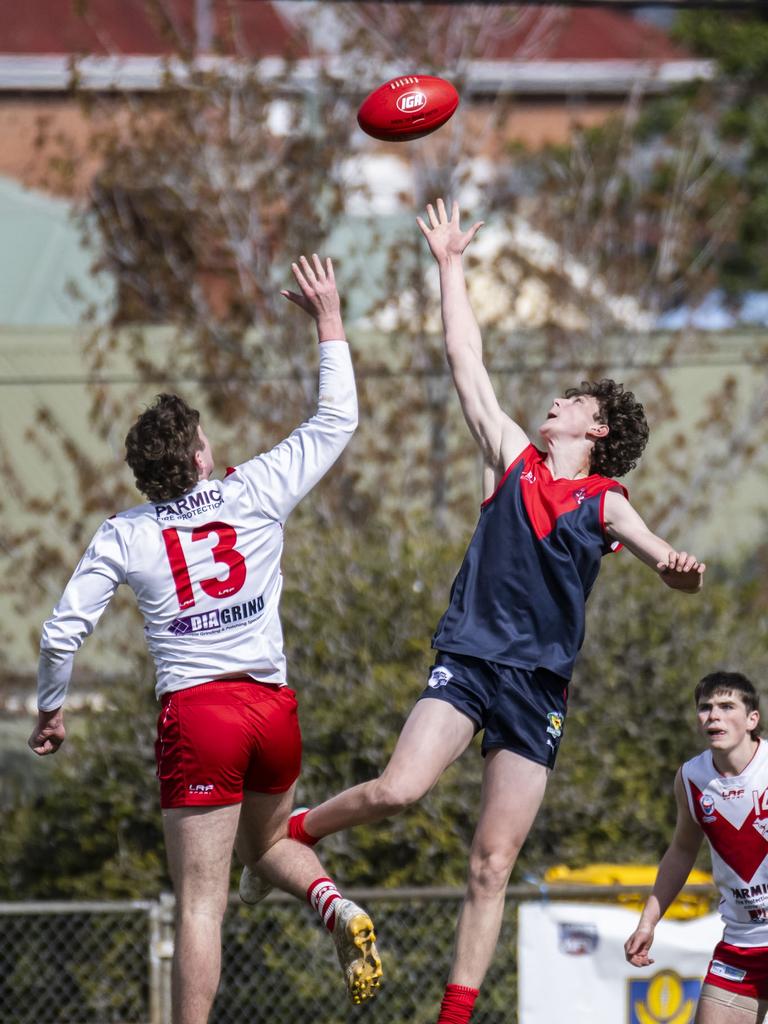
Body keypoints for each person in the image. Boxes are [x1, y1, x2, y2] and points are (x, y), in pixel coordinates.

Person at [247, 199, 707, 1024]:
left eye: (571, 401)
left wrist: (676, 567)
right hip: (470, 658)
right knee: (398, 790)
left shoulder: (604, 501)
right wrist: (449, 263)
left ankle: (454, 1017)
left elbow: (652, 547)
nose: (555, 404)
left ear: (596, 428)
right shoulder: (511, 456)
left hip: (537, 690)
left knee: (493, 863)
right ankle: (300, 831)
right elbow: (466, 355)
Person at [28, 255, 382, 1024]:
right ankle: (335, 905)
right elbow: (336, 419)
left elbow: (62, 632)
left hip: (200, 717)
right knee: (266, 846)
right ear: (198, 456)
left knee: (199, 905)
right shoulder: (253, 488)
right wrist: (327, 320)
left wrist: (51, 709)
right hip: (272, 710)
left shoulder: (123, 532)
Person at [626, 672, 768, 1023]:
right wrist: (648, 922)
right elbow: (681, 851)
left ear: (753, 719)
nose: (713, 715)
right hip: (740, 946)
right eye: (705, 708)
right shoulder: (692, 778)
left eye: (726, 706)